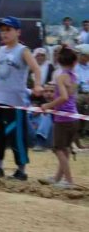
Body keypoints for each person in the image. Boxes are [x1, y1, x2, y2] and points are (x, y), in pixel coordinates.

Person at [0, 17, 44, 181]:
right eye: (2, 30)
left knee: (16, 135)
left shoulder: (23, 50)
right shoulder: (1, 50)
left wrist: (37, 85)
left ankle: (21, 170)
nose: (4, 33)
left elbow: (36, 69)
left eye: (8, 30)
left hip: (15, 101)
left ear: (18, 32)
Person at [39, 46, 80, 189]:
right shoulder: (74, 76)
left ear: (58, 60)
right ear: (74, 62)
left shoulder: (61, 77)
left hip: (63, 119)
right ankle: (58, 178)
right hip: (73, 117)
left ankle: (68, 181)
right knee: (65, 149)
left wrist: (48, 105)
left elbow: (63, 97)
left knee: (58, 149)